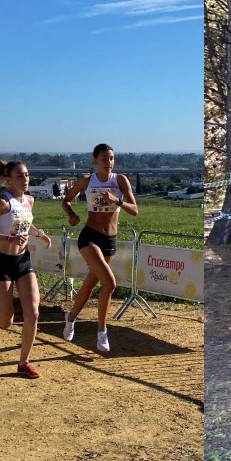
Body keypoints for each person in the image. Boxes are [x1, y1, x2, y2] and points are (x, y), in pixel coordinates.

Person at [0, 157, 52, 379]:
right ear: (8, 179)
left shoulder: (29, 201)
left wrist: (38, 233)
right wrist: (7, 239)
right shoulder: (3, 202)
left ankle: (24, 362)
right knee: (6, 322)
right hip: (3, 263)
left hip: (23, 261)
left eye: (27, 175)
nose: (25, 179)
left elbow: (25, 222)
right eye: (20, 176)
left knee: (33, 312)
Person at [61, 143, 138, 352]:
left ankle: (70, 317)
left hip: (109, 241)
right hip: (90, 238)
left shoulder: (120, 180)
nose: (109, 162)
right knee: (110, 283)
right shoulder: (87, 181)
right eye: (104, 158)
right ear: (96, 160)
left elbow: (135, 210)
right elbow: (66, 201)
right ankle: (102, 332)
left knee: (89, 285)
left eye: (112, 158)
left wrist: (117, 201)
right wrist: (72, 215)